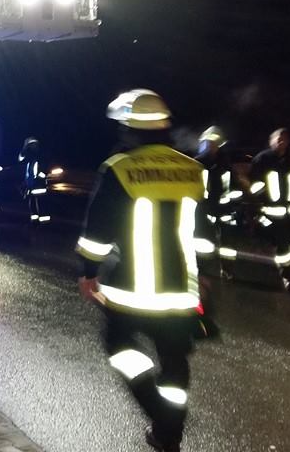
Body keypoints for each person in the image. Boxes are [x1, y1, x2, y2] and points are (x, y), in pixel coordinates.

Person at [76, 89, 214, 452]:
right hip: (180, 291)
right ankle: (169, 434)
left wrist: (89, 272)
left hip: (130, 290)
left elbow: (98, 231)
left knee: (120, 347)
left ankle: (160, 415)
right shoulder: (193, 169)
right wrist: (206, 273)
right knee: (175, 361)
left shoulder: (119, 168)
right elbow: (204, 233)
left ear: (128, 127)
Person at [248, 128, 290, 290]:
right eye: (278, 139)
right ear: (271, 142)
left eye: (284, 139)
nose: (281, 142)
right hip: (274, 212)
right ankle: (287, 276)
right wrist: (263, 202)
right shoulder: (263, 159)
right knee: (283, 245)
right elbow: (255, 184)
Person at [195, 126, 241, 279]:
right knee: (203, 242)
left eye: (215, 142)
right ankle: (202, 269)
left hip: (225, 210)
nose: (212, 145)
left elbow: (234, 186)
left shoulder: (226, 164)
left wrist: (235, 204)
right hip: (204, 210)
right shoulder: (197, 163)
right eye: (209, 142)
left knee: (228, 244)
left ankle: (227, 270)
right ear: (204, 143)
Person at [18, 136, 48, 223]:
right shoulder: (29, 156)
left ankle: (43, 223)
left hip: (39, 186)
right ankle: (34, 222)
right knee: (32, 205)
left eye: (33, 145)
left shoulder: (41, 156)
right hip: (31, 186)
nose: (32, 147)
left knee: (41, 205)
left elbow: (43, 170)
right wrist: (24, 147)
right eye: (31, 145)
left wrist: (39, 177)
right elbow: (20, 159)